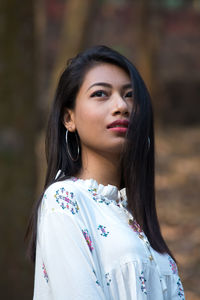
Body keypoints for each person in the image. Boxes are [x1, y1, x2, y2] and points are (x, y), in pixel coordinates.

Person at [26, 45, 185, 299]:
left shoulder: (133, 213)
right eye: (100, 93)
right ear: (69, 118)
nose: (121, 106)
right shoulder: (64, 201)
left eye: (130, 95)